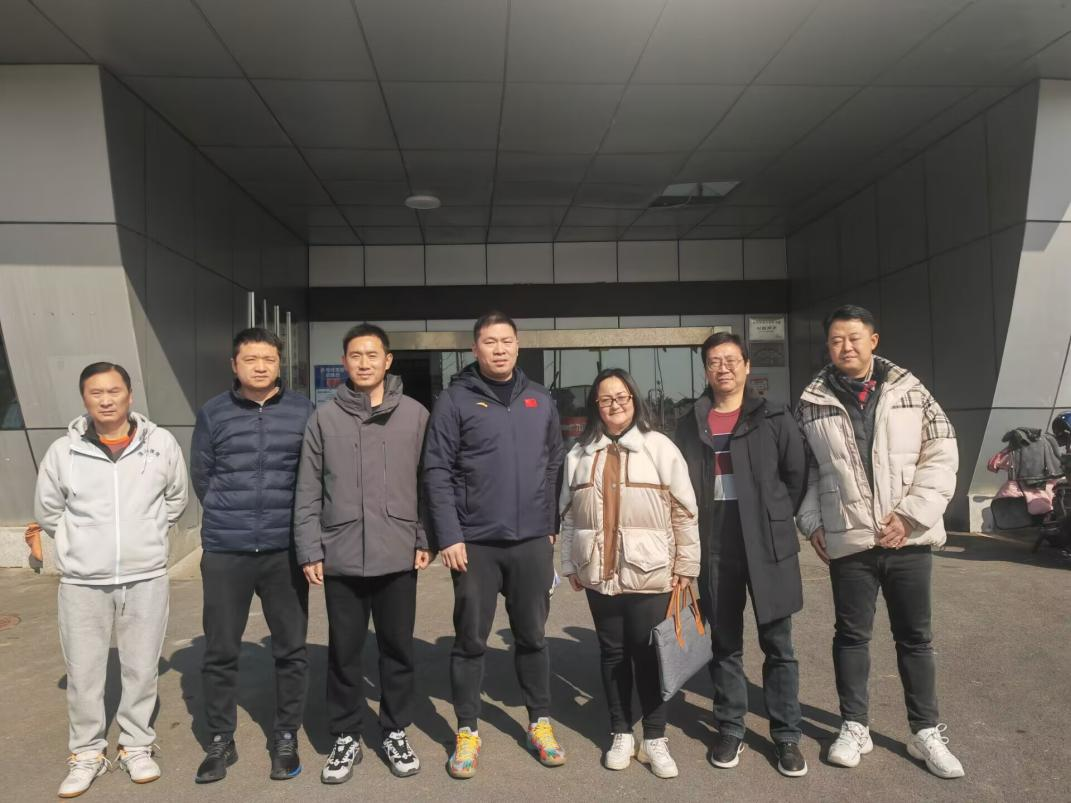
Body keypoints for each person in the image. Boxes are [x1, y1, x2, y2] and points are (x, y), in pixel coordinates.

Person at [795, 305, 964, 779]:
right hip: (849, 540)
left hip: (907, 539)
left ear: (873, 340)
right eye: (835, 340)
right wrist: (812, 521)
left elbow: (941, 452)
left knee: (915, 638)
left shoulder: (912, 392)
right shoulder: (811, 402)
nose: (845, 347)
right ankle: (855, 726)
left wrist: (911, 516)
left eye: (854, 338)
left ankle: (924, 731)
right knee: (851, 637)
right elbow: (806, 472)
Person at [34, 362, 188, 798]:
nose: (106, 400)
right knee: (84, 671)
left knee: (141, 666)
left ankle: (136, 745)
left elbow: (176, 497)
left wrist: (148, 533)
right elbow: (48, 511)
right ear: (85, 399)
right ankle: (86, 752)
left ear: (129, 395)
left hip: (145, 575)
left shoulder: (160, 444)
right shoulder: (63, 452)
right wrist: (80, 542)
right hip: (83, 580)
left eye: (114, 391)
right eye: (96, 393)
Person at [423, 310, 565, 779]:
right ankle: (467, 730)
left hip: (531, 542)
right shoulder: (454, 400)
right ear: (475, 348)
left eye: (506, 340)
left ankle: (539, 723)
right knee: (470, 641)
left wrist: (549, 523)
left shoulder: (540, 399)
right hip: (475, 544)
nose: (499, 349)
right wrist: (449, 535)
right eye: (489, 341)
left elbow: (554, 462)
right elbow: (437, 471)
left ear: (518, 345)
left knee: (533, 637)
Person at [294, 323, 431, 783]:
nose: (365, 362)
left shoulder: (414, 414)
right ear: (344, 362)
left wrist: (424, 537)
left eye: (373, 355)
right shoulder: (324, 418)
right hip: (343, 553)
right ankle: (346, 734)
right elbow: (308, 489)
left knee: (398, 649)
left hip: (397, 552)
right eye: (356, 355)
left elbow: (429, 483)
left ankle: (395, 729)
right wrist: (310, 548)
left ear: (388, 360)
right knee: (344, 651)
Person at [674, 332, 809, 777]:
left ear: (747, 366)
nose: (724, 368)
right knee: (725, 643)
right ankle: (730, 726)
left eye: (731, 360)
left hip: (767, 543)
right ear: (706, 369)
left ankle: (786, 734)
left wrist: (772, 517)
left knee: (778, 644)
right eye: (714, 361)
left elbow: (796, 475)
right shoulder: (690, 421)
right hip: (715, 541)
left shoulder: (774, 416)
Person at [560, 368, 699, 779]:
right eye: (605, 399)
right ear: (596, 406)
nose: (615, 405)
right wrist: (569, 562)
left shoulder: (660, 448)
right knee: (612, 654)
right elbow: (568, 515)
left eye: (621, 397)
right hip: (598, 573)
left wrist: (687, 565)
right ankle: (620, 732)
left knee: (649, 653)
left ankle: (655, 737)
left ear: (634, 400)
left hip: (651, 570)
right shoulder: (579, 454)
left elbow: (685, 511)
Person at [190, 327, 314, 783]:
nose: (260, 367)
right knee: (220, 650)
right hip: (227, 549)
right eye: (250, 359)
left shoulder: (303, 410)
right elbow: (202, 474)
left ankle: (285, 735)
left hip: (285, 549)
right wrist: (229, 512)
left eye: (269, 359)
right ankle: (220, 739)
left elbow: (313, 474)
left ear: (280, 364)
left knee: (291, 649)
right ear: (234, 364)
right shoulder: (213, 412)